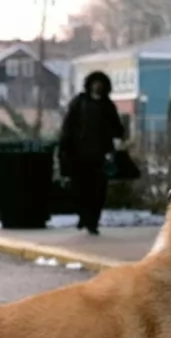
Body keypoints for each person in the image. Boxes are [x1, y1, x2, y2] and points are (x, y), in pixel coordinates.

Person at [58, 71, 125, 235]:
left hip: (100, 156)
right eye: (95, 82)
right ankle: (83, 216)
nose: (98, 86)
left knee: (98, 191)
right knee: (79, 188)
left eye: (100, 83)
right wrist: (65, 148)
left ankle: (93, 221)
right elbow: (68, 126)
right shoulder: (79, 102)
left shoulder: (108, 106)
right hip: (78, 155)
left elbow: (118, 129)